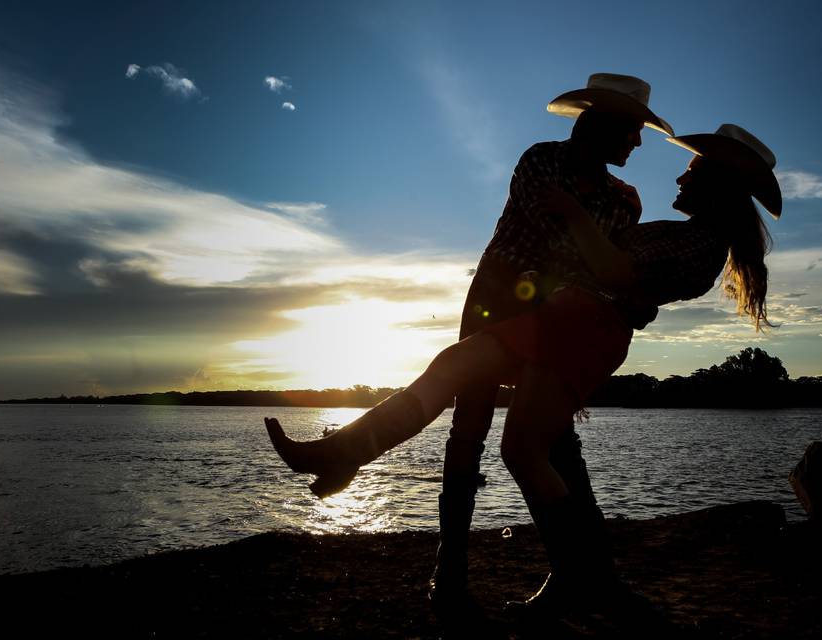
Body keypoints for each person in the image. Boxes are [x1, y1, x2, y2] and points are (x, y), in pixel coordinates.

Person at [265, 122, 782, 622]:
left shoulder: (701, 243)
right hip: (562, 316)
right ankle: (342, 454)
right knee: (453, 366)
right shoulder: (681, 231)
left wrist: (573, 214)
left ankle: (577, 572)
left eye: (692, 170)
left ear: (719, 183)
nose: (679, 177)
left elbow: (615, 272)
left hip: (587, 330)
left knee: (521, 450)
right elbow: (601, 265)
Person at [430, 73, 672, 617]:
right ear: (605, 125)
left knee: (555, 439)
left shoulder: (624, 199)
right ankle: (451, 569)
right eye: (633, 131)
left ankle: (584, 571)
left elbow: (603, 265)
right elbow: (561, 247)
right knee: (470, 425)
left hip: (555, 309)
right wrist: (603, 273)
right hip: (499, 294)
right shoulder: (541, 159)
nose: (637, 143)